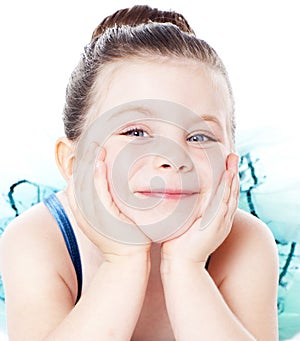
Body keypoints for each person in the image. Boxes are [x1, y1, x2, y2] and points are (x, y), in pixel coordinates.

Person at [0, 5, 278, 340]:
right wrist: (123, 262)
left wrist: (186, 268)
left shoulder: (246, 243)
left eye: (199, 136)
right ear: (74, 164)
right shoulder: (38, 240)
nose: (172, 158)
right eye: (136, 132)